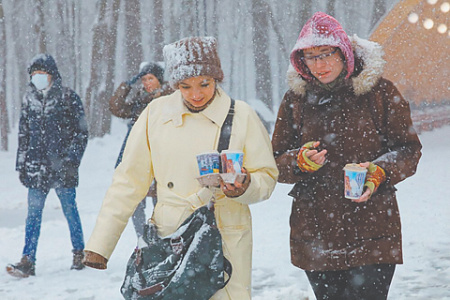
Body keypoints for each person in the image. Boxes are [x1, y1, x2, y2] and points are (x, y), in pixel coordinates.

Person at [83, 36, 278, 299]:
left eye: (204, 84)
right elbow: (128, 180)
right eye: (185, 86)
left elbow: (267, 176)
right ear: (174, 84)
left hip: (225, 233)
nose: (196, 94)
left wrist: (244, 186)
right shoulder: (155, 114)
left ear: (216, 79)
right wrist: (100, 244)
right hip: (170, 237)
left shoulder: (242, 115)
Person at [272, 12, 422, 300]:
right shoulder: (296, 99)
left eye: (326, 53)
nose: (319, 64)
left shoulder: (378, 92)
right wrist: (298, 162)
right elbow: (275, 159)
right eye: (311, 56)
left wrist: (380, 171)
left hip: (372, 227)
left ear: (344, 53)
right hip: (316, 231)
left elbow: (408, 149)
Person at [6, 54, 88, 278]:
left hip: (63, 167)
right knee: (33, 215)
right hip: (36, 168)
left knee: (70, 210)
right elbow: (23, 134)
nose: (38, 78)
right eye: (34, 75)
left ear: (52, 75)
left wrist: (72, 161)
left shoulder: (69, 97)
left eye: (42, 74)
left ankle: (79, 252)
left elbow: (81, 134)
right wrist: (21, 164)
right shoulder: (28, 100)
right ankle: (28, 260)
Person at [109, 61, 172, 239]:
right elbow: (116, 107)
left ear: (159, 80)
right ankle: (142, 239)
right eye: (143, 79)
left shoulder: (170, 97)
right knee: (136, 202)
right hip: (139, 157)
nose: (146, 83)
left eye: (150, 78)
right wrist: (127, 85)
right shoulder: (139, 99)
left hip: (161, 156)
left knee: (161, 201)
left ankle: (161, 239)